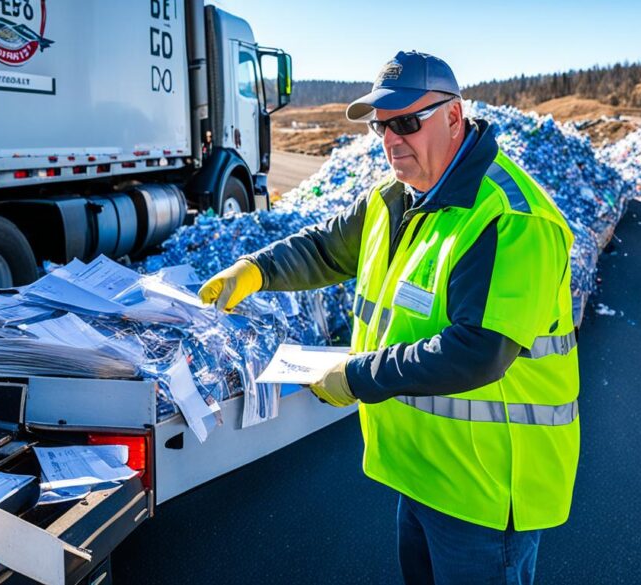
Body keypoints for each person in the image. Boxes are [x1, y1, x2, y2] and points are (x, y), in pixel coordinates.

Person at [198, 51, 579, 584]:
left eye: (406, 122)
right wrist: (254, 270)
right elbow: (326, 248)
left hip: (486, 493)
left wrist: (355, 378)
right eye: (381, 127)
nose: (391, 139)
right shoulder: (395, 198)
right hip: (423, 473)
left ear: (453, 117)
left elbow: (478, 350)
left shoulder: (512, 219)